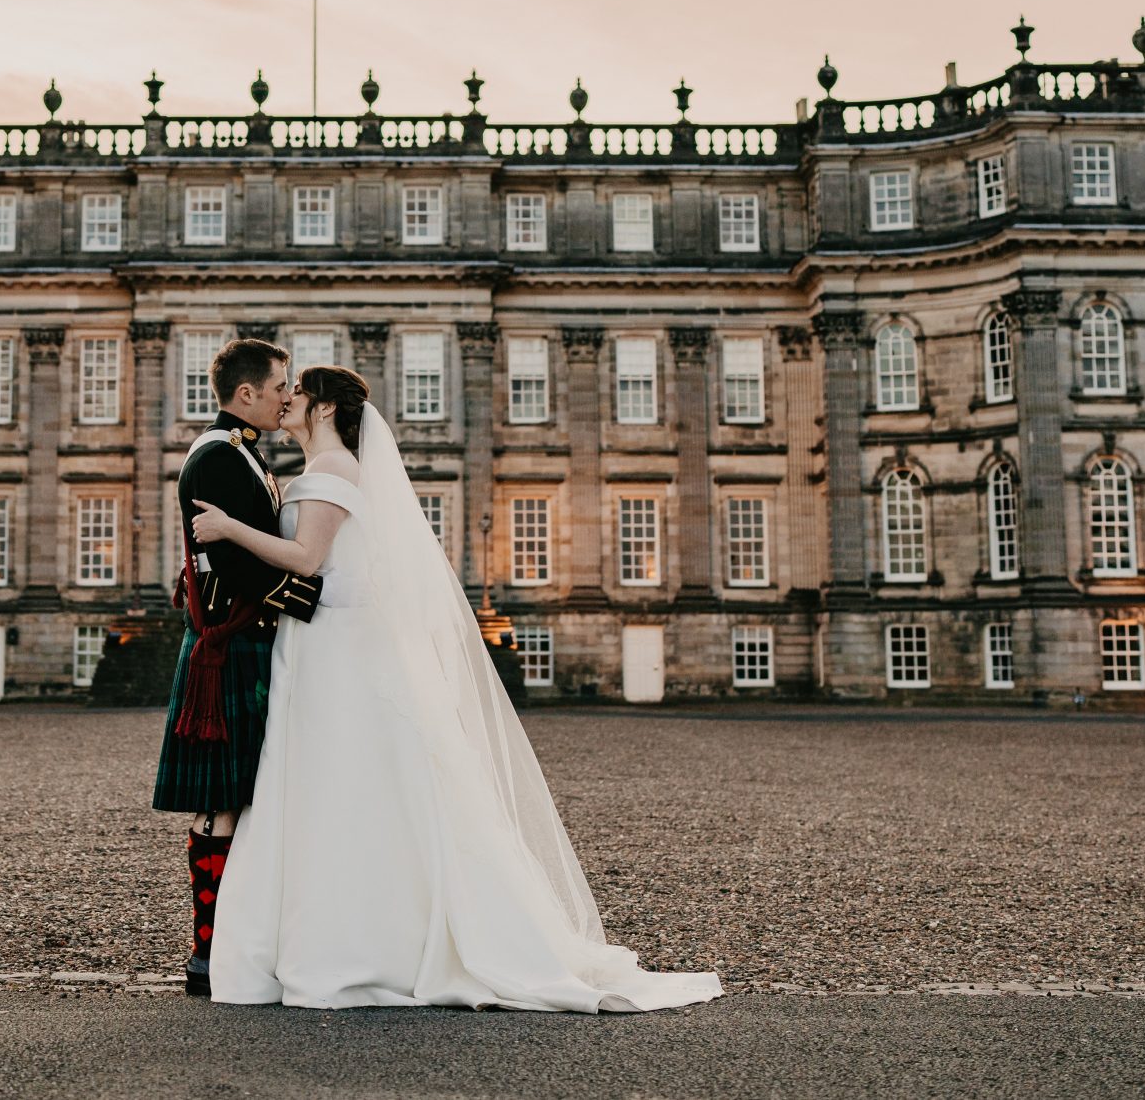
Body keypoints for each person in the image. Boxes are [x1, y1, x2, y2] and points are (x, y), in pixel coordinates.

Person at [188, 365, 723, 1012]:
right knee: (333, 784)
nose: (287, 399)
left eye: (298, 391)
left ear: (325, 407)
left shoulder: (329, 472)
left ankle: (357, 941)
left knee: (336, 784)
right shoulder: (317, 470)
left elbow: (304, 560)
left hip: (337, 644)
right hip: (322, 640)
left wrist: (226, 530)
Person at [149, 336, 295, 997]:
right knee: (221, 803)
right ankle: (207, 951)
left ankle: (236, 942)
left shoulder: (245, 453)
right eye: (278, 387)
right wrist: (328, 604)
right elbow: (247, 570)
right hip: (231, 643)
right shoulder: (218, 457)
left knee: (243, 800)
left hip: (245, 641)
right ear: (246, 394)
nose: (286, 397)